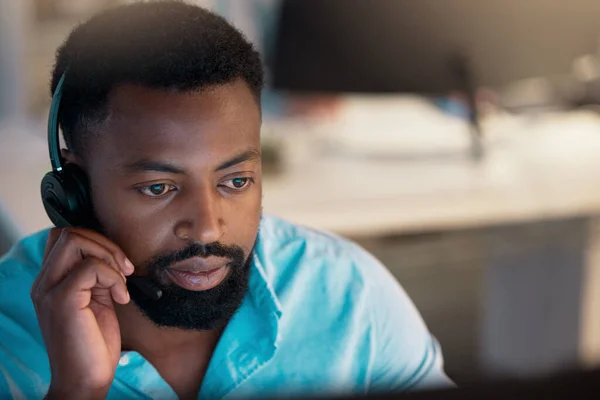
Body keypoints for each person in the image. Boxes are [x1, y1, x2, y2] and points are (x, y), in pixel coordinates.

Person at [0, 2, 452, 399]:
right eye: (159, 188)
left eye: (236, 181)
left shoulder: (349, 299)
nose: (208, 228)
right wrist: (77, 392)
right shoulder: (8, 333)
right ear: (73, 192)